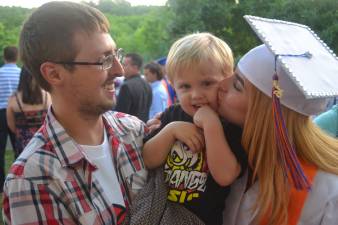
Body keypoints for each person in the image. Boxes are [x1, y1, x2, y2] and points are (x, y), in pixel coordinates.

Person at [3, 2, 148, 225]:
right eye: (104, 60)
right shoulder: (33, 179)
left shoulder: (134, 131)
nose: (119, 71)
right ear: (54, 74)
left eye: (116, 54)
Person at [220, 16, 338, 225]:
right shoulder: (224, 150)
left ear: (268, 112)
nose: (221, 84)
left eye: (237, 86)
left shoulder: (329, 191)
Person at [142, 33, 247, 225]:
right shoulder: (173, 115)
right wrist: (171, 130)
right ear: (173, 86)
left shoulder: (231, 125)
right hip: (161, 214)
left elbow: (225, 177)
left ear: (227, 79)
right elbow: (148, 159)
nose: (196, 94)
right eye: (185, 86)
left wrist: (212, 125)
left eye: (207, 83)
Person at [6, 67, 51, 157]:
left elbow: (11, 126)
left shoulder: (13, 100)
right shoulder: (47, 96)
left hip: (23, 146)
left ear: (22, 78)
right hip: (44, 145)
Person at [0, 45, 21, 192]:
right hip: (16, 112)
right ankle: (17, 180)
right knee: (18, 147)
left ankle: (1, 183)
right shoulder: (21, 73)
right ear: (17, 57)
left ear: (4, 57)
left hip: (0, 111)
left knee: (0, 149)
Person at [115, 53, 152, 122]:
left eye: (124, 65)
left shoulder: (126, 86)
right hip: (143, 128)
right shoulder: (147, 84)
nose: (121, 67)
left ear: (135, 67)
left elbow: (120, 115)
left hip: (128, 129)